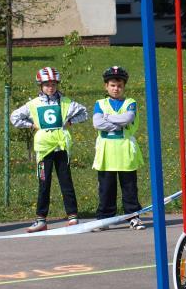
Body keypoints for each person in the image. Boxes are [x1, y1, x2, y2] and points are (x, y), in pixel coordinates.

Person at [10, 67, 88, 233]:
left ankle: (73, 216)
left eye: (53, 84)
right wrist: (31, 125)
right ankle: (41, 219)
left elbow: (84, 113)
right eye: (46, 84)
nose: (50, 87)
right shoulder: (33, 104)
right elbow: (15, 117)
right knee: (44, 183)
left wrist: (71, 122)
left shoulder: (66, 102)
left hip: (61, 147)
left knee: (66, 182)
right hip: (44, 150)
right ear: (40, 85)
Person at [91, 66, 145, 230]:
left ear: (124, 86)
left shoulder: (130, 103)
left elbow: (127, 119)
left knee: (129, 186)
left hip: (124, 150)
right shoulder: (100, 103)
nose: (116, 89)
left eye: (119, 85)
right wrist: (116, 122)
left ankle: (133, 216)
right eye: (113, 85)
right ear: (106, 86)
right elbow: (97, 123)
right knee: (106, 187)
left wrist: (108, 118)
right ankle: (104, 218)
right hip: (106, 151)